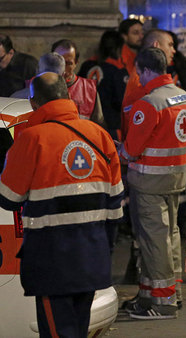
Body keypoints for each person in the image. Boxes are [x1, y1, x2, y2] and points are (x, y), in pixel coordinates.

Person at [0, 72, 123, 337]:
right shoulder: (100, 136)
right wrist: (102, 250)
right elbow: (115, 210)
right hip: (93, 259)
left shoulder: (32, 140)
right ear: (67, 95)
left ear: (34, 103)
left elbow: (8, 198)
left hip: (52, 264)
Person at [118, 47, 186, 319]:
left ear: (146, 70)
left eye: (138, 72)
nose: (138, 78)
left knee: (154, 242)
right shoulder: (183, 96)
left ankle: (162, 304)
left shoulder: (149, 103)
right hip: (176, 179)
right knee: (170, 236)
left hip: (149, 182)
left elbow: (132, 150)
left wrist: (121, 150)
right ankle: (162, 292)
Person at [122, 29, 176, 139]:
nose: (173, 50)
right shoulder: (141, 81)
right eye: (170, 45)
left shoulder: (148, 78)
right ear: (156, 46)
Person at [52, 39, 106, 128]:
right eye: (59, 62)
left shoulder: (89, 90)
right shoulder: (37, 87)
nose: (62, 68)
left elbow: (98, 126)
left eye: (68, 63)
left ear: (76, 63)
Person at [89, 30, 129, 139]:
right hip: (110, 126)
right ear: (118, 49)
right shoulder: (118, 71)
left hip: (87, 124)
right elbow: (121, 101)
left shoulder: (87, 66)